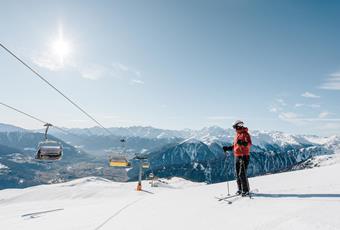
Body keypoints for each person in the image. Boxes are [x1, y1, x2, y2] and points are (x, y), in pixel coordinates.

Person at [223, 120, 252, 196]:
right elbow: (235, 145)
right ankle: (240, 189)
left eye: (235, 127)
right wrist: (228, 148)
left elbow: (249, 144)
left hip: (244, 155)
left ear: (239, 126)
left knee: (242, 173)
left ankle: (245, 190)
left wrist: (243, 143)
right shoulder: (237, 135)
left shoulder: (245, 134)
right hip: (237, 156)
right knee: (237, 174)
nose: (235, 129)